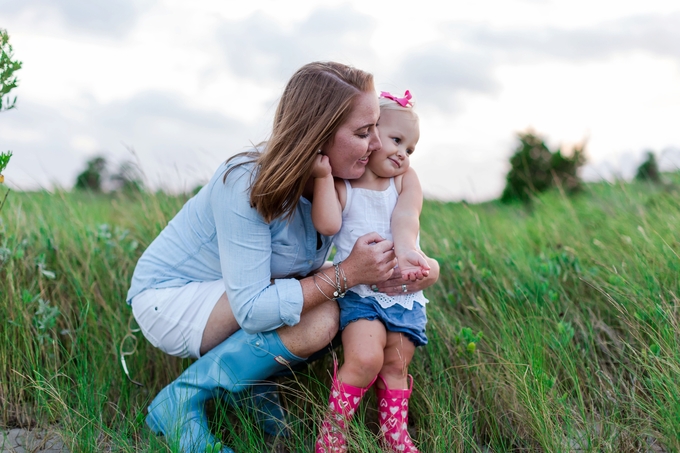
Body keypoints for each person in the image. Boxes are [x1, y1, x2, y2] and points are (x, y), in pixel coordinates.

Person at [125, 63, 440, 453]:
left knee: (336, 305)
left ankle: (249, 388)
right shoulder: (245, 181)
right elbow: (253, 309)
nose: (376, 143)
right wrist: (347, 273)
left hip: (244, 288)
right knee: (320, 318)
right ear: (319, 135)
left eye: (376, 127)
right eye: (363, 133)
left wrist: (398, 270)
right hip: (174, 297)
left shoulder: (339, 183)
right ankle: (181, 400)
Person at [311, 90, 429, 453]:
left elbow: (406, 217)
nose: (402, 154)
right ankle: (332, 434)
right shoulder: (344, 187)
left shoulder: (404, 182)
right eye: (396, 140)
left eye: (410, 149)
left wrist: (407, 251)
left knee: (395, 365)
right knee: (365, 358)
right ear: (372, 136)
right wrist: (322, 177)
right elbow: (328, 225)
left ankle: (394, 436)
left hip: (404, 295)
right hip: (361, 294)